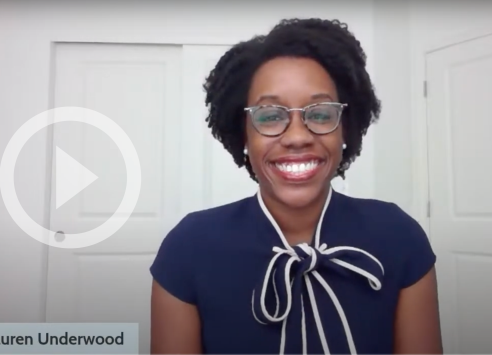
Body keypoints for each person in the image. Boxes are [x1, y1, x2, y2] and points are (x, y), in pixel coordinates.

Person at [149, 18, 442, 355]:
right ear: (244, 133)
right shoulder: (188, 248)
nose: (298, 136)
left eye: (319, 114)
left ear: (345, 129)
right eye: (270, 115)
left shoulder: (400, 237)